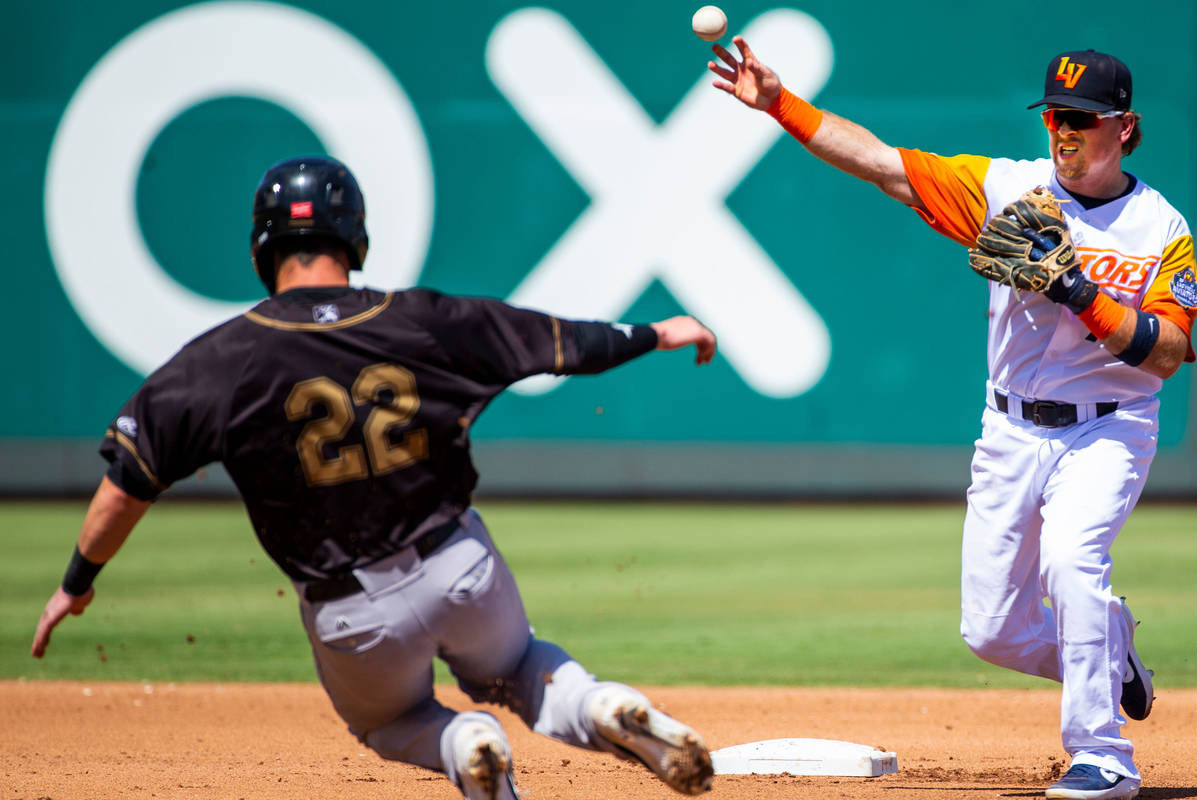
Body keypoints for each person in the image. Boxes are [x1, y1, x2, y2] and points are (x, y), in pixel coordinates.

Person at [31, 156, 717, 799]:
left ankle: (463, 743)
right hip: (461, 569)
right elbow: (564, 344)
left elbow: (126, 484)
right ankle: (599, 703)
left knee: (390, 724)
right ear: (354, 238)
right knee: (520, 671)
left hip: (350, 613)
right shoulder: (424, 321)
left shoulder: (218, 360)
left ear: (261, 248)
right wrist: (656, 333)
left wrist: (75, 583)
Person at [711, 41, 1196, 800]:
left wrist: (1078, 291)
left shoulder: (1161, 229)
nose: (1064, 131)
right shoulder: (1009, 190)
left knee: (1073, 563)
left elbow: (1166, 352)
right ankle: (1110, 647)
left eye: (1083, 118)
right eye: (1055, 116)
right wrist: (779, 102)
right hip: (1008, 428)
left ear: (1124, 127)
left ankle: (1104, 755)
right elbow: (881, 164)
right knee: (991, 631)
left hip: (1108, 426)